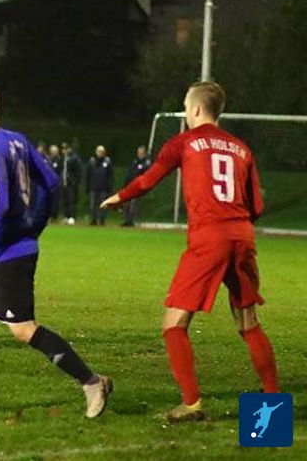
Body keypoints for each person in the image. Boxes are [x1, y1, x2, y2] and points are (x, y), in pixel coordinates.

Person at [101, 81, 278, 423]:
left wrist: (121, 197)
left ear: (195, 109)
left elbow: (149, 179)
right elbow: (257, 206)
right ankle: (272, 411)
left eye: (185, 106)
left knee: (174, 323)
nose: (185, 111)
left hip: (209, 238)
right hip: (242, 235)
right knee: (249, 323)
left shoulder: (184, 142)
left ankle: (192, 403)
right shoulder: (241, 148)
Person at [0, 81, 112, 416]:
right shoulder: (16, 140)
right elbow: (51, 182)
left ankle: (92, 382)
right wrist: (34, 225)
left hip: (8, 254)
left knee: (23, 330)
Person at [121, 145, 152, 227]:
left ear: (145, 153)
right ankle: (126, 220)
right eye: (138, 153)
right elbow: (130, 173)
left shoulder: (146, 163)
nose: (140, 154)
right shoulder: (135, 161)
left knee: (134, 204)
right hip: (130, 185)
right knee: (127, 204)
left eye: (141, 153)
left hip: (138, 186)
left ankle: (132, 221)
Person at [86, 145, 113, 225]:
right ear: (96, 152)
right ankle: (93, 219)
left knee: (103, 204)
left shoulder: (107, 161)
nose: (100, 153)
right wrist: (87, 186)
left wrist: (109, 187)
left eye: (102, 152)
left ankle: (102, 220)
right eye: (99, 151)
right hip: (93, 187)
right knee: (92, 205)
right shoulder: (91, 161)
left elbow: (110, 175)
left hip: (104, 188)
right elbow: (88, 175)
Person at [61, 143, 82, 224]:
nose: (64, 150)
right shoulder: (63, 158)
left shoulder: (74, 158)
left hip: (71, 183)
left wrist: (75, 182)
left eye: (66, 148)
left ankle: (72, 217)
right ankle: (66, 216)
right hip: (64, 182)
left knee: (72, 201)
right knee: (65, 200)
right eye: (63, 149)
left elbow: (78, 171)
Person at [47, 144, 63, 220]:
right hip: (49, 183)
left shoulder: (60, 160)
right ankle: (48, 215)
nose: (54, 153)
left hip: (57, 184)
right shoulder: (48, 160)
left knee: (56, 200)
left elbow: (61, 171)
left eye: (55, 151)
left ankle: (55, 216)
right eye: (52, 151)